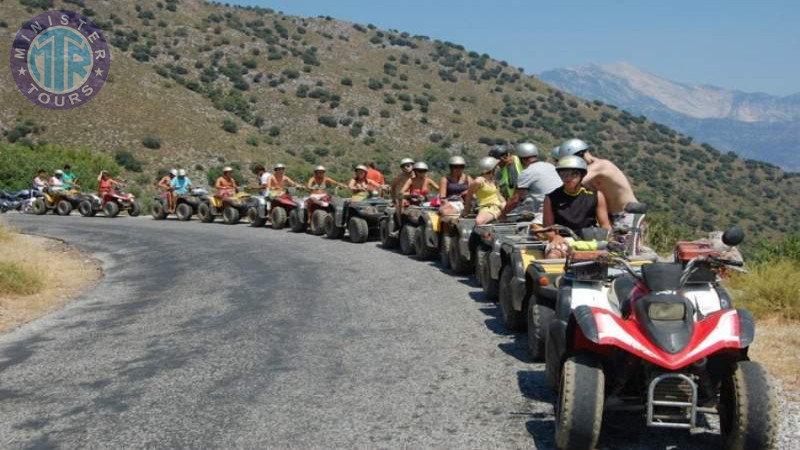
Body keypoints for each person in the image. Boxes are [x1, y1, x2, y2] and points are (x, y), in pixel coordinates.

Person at [559, 138, 639, 227]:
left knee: (626, 241)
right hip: (611, 217)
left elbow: (573, 183)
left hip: (628, 214)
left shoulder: (601, 166)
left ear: (581, 155)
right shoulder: (588, 173)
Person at [543, 156, 611, 258]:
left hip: (590, 240)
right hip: (564, 240)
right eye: (563, 174)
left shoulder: (596, 195)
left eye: (574, 174)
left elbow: (605, 225)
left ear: (582, 175)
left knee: (613, 255)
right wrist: (555, 237)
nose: (568, 178)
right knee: (553, 255)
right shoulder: (551, 198)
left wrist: (612, 238)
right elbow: (548, 228)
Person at [498, 142, 562, 223]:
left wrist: (502, 215)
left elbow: (514, 199)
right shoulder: (550, 166)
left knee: (527, 229)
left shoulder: (527, 172)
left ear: (523, 159)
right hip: (562, 207)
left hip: (547, 211)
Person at [463, 157, 505, 226]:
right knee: (479, 221)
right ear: (492, 169)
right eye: (495, 167)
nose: (497, 168)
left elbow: (499, 196)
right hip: (486, 207)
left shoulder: (492, 181)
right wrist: (466, 209)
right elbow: (469, 195)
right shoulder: (479, 181)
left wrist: (505, 206)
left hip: (497, 206)